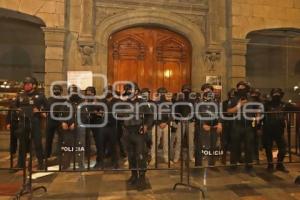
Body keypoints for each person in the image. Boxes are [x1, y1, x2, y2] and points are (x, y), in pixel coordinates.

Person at [120, 83, 153, 190]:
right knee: (131, 155)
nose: (128, 91)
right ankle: (134, 175)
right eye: (127, 89)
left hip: (138, 131)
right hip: (127, 132)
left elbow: (150, 116)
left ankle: (142, 178)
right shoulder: (123, 102)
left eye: (131, 89)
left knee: (140, 155)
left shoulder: (142, 102)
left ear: (136, 91)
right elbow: (117, 113)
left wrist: (146, 126)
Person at [10, 76, 47, 169]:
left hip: (35, 121)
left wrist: (39, 111)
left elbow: (47, 109)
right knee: (22, 144)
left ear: (34, 85)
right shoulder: (20, 96)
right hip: (23, 121)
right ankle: (20, 164)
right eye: (25, 84)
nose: (25, 86)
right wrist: (17, 110)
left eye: (28, 84)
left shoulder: (40, 96)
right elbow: (14, 107)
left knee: (38, 143)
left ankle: (41, 164)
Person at [227, 81, 256, 176]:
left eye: (243, 87)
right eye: (239, 87)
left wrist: (257, 118)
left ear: (247, 89)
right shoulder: (234, 99)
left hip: (248, 126)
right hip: (237, 126)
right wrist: (239, 105)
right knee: (235, 147)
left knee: (249, 147)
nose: (240, 89)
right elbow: (229, 112)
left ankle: (249, 168)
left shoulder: (251, 99)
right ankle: (233, 167)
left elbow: (257, 110)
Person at [263, 88, 290, 173]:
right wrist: (258, 127)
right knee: (268, 147)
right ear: (272, 95)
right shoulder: (266, 104)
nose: (276, 95)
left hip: (279, 130)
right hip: (268, 129)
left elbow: (296, 108)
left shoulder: (285, 104)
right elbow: (260, 115)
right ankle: (270, 164)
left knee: (283, 148)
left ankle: (279, 164)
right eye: (275, 94)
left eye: (278, 94)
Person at [195, 83, 222, 166]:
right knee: (200, 146)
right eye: (206, 89)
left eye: (209, 89)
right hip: (202, 127)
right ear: (203, 91)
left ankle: (212, 164)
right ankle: (198, 165)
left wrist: (220, 123)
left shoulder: (216, 102)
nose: (208, 91)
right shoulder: (198, 102)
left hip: (214, 127)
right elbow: (197, 114)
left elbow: (220, 114)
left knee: (213, 146)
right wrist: (203, 124)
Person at [59, 84, 85, 170]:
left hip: (79, 127)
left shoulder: (82, 103)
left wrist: (76, 124)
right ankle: (66, 164)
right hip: (67, 128)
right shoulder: (66, 103)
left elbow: (84, 116)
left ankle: (80, 164)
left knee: (80, 145)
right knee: (67, 146)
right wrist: (63, 122)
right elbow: (60, 114)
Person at [173, 84, 195, 163]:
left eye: (187, 90)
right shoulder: (178, 100)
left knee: (191, 141)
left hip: (190, 122)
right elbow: (175, 111)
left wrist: (192, 119)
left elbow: (195, 111)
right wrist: (178, 120)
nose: (186, 91)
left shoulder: (193, 100)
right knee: (178, 140)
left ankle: (191, 157)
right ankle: (176, 157)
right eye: (184, 90)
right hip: (181, 122)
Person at [150, 87, 172, 165]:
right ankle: (153, 159)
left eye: (163, 93)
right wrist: (159, 123)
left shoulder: (169, 103)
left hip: (166, 124)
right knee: (155, 142)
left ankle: (166, 158)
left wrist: (165, 123)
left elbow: (171, 115)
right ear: (158, 94)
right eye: (160, 93)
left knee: (166, 142)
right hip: (156, 124)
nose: (162, 94)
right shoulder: (154, 103)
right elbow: (153, 115)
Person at [45, 84, 66, 158]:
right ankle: (47, 154)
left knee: (61, 138)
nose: (56, 91)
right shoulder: (50, 99)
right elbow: (46, 109)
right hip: (52, 120)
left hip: (59, 120)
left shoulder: (63, 100)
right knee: (49, 138)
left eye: (57, 89)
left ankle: (61, 154)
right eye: (55, 89)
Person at [221, 88, 236, 164]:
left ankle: (233, 160)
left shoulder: (238, 103)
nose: (233, 95)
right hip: (227, 123)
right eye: (231, 93)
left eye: (234, 93)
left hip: (235, 123)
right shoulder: (225, 102)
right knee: (225, 142)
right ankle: (223, 159)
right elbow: (226, 113)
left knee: (234, 142)